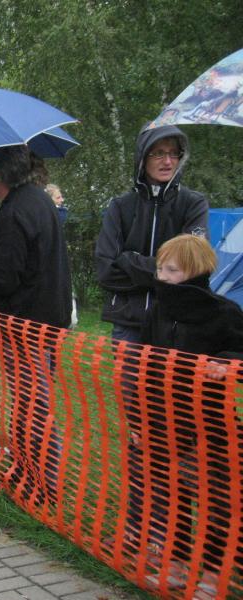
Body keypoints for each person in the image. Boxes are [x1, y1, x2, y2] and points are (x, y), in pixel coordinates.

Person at [121, 234, 242, 595]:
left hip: (210, 425)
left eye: (171, 270)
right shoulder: (158, 311)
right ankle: (176, 562)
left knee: (218, 501)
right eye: (160, 268)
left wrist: (226, 364)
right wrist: (138, 419)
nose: (162, 276)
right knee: (171, 495)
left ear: (195, 271)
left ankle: (215, 573)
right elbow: (144, 368)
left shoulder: (224, 313)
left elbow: (240, 352)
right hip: (162, 422)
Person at [0, 145, 72, 507]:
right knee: (33, 402)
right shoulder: (36, 200)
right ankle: (33, 477)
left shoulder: (13, 212)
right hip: (47, 319)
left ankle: (42, 486)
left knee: (32, 406)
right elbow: (27, 256)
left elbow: (5, 278)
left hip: (26, 326)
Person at [95, 124, 209, 343]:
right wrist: (168, 273)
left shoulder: (194, 204)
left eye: (173, 153)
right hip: (128, 325)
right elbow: (105, 271)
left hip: (176, 322)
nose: (167, 161)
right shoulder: (120, 206)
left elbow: (194, 268)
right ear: (142, 158)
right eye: (158, 153)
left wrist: (129, 260)